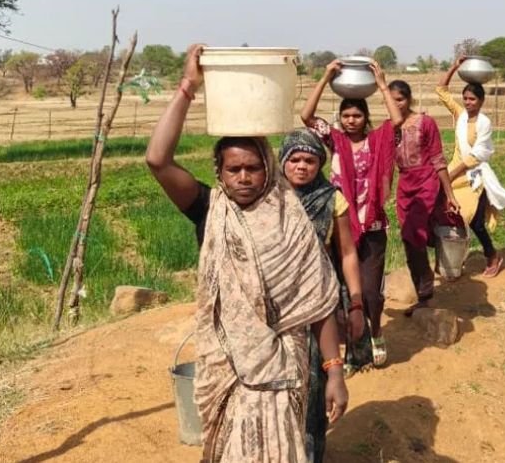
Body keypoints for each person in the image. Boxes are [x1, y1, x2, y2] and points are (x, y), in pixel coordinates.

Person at [146, 45, 346, 462]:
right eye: (233, 169)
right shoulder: (209, 209)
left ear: (268, 168)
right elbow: (157, 160)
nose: (243, 177)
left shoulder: (290, 220)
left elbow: (319, 302)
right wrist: (188, 85)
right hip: (229, 368)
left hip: (285, 368)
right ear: (218, 172)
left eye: (252, 168)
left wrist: (335, 370)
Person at [300, 59, 403, 368]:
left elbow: (397, 119)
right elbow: (306, 117)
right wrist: (326, 77)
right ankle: (350, 348)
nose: (351, 120)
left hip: (371, 225)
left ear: (365, 117)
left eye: (357, 115)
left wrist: (382, 84)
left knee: (370, 291)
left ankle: (376, 331)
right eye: (345, 115)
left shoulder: (378, 139)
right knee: (340, 289)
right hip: (340, 224)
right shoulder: (336, 140)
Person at [279, 129, 366, 463]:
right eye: (295, 159)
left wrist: (355, 302)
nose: (302, 167)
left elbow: (346, 254)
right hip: (273, 310)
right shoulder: (266, 197)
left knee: (314, 386)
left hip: (316, 307)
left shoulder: (332, 200)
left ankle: (310, 452)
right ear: (283, 161)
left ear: (320, 163)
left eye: (310, 160)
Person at [436, 56, 505, 277]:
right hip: (453, 173)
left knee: (475, 221)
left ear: (481, 101)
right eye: (465, 99)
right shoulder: (460, 115)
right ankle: (450, 260)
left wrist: (450, 175)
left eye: (472, 99)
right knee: (447, 215)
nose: (468, 103)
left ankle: (492, 256)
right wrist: (454, 66)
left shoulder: (484, 123)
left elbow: (477, 155)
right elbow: (441, 90)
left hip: (472, 177)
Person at [386, 79, 460, 315]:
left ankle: (426, 294)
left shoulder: (425, 122)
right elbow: (386, 166)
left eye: (401, 99)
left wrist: (449, 195)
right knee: (409, 240)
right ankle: (422, 293)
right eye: (392, 99)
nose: (397, 104)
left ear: (409, 99)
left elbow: (438, 159)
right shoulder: (388, 128)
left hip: (426, 183)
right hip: (405, 186)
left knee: (414, 234)